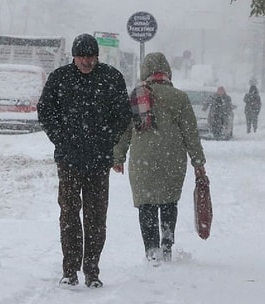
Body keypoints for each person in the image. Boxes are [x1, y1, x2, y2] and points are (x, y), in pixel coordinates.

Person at [37, 33, 132, 288]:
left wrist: (107, 139)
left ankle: (92, 270)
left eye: (91, 57)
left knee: (96, 216)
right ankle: (70, 270)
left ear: (97, 56)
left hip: (99, 161)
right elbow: (45, 110)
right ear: (74, 57)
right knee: (69, 214)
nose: (87, 62)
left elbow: (123, 114)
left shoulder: (111, 78)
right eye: (82, 57)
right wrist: (60, 137)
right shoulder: (60, 79)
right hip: (69, 160)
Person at [112, 52, 207, 264]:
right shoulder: (180, 98)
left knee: (146, 205)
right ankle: (167, 245)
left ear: (144, 71)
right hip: (172, 159)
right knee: (168, 203)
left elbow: (124, 131)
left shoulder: (136, 95)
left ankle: (151, 249)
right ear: (167, 71)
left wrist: (118, 157)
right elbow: (190, 133)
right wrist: (198, 162)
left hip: (141, 160)